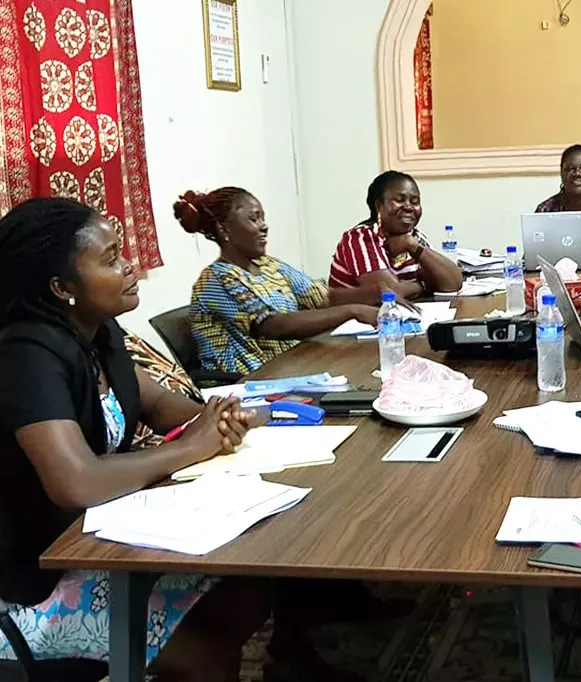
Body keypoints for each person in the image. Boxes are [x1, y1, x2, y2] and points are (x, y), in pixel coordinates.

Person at [0, 198, 270, 679]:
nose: (130, 266)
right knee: (205, 651)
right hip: (32, 581)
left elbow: (169, 409)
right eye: (110, 259)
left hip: (97, 541)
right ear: (62, 288)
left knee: (252, 584)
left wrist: (228, 419)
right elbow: (75, 483)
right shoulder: (25, 355)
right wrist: (190, 446)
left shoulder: (99, 332)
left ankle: (291, 659)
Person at [178, 187, 380, 376]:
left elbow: (324, 298)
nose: (264, 226)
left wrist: (377, 293)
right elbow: (271, 326)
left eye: (263, 218)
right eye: (253, 219)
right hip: (246, 385)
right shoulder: (217, 279)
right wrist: (353, 311)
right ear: (224, 230)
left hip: (290, 369)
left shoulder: (269, 266)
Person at [329, 171, 463, 298]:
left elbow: (453, 284)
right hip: (358, 320)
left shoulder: (414, 237)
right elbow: (389, 293)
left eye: (415, 202)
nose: (409, 207)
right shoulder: (360, 238)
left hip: (401, 316)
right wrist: (423, 286)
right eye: (400, 200)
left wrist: (413, 246)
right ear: (378, 206)